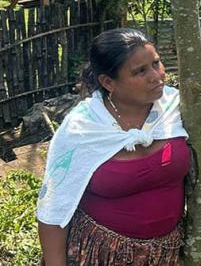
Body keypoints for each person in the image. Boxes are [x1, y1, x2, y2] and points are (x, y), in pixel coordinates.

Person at [37, 28, 188, 265]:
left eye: (156, 63)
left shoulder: (176, 108)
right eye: (140, 71)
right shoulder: (83, 128)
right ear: (108, 82)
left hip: (165, 254)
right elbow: (54, 208)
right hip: (98, 253)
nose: (156, 76)